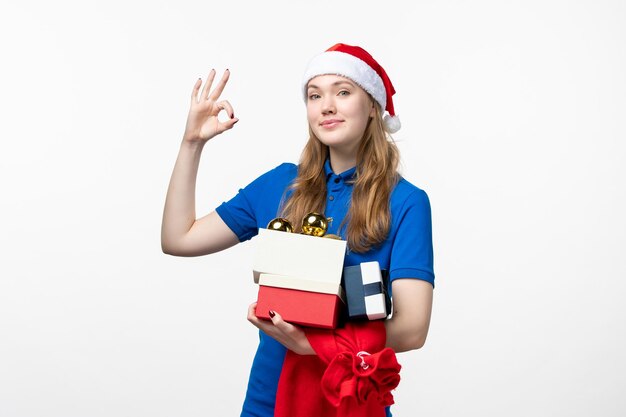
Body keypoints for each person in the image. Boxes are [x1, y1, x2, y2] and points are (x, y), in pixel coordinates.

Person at [161, 43, 435, 417]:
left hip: (351, 405)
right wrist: (192, 143)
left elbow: (413, 328)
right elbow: (179, 238)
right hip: (267, 402)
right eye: (314, 95)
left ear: (372, 106)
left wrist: (315, 344)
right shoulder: (280, 185)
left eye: (343, 92)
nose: (326, 106)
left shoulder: (406, 201)